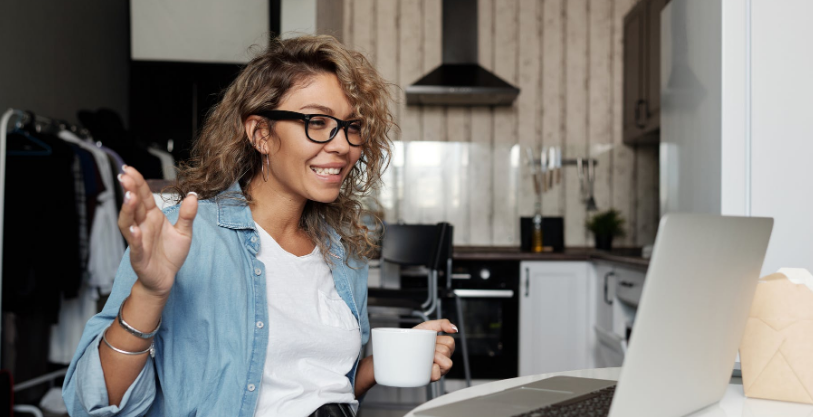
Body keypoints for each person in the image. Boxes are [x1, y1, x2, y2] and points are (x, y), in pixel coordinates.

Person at [62, 35, 457, 417]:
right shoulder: (185, 238)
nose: (343, 145)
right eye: (318, 122)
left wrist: (384, 364)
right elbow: (92, 404)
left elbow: (317, 388)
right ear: (260, 134)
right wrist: (149, 292)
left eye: (352, 126)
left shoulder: (342, 252)